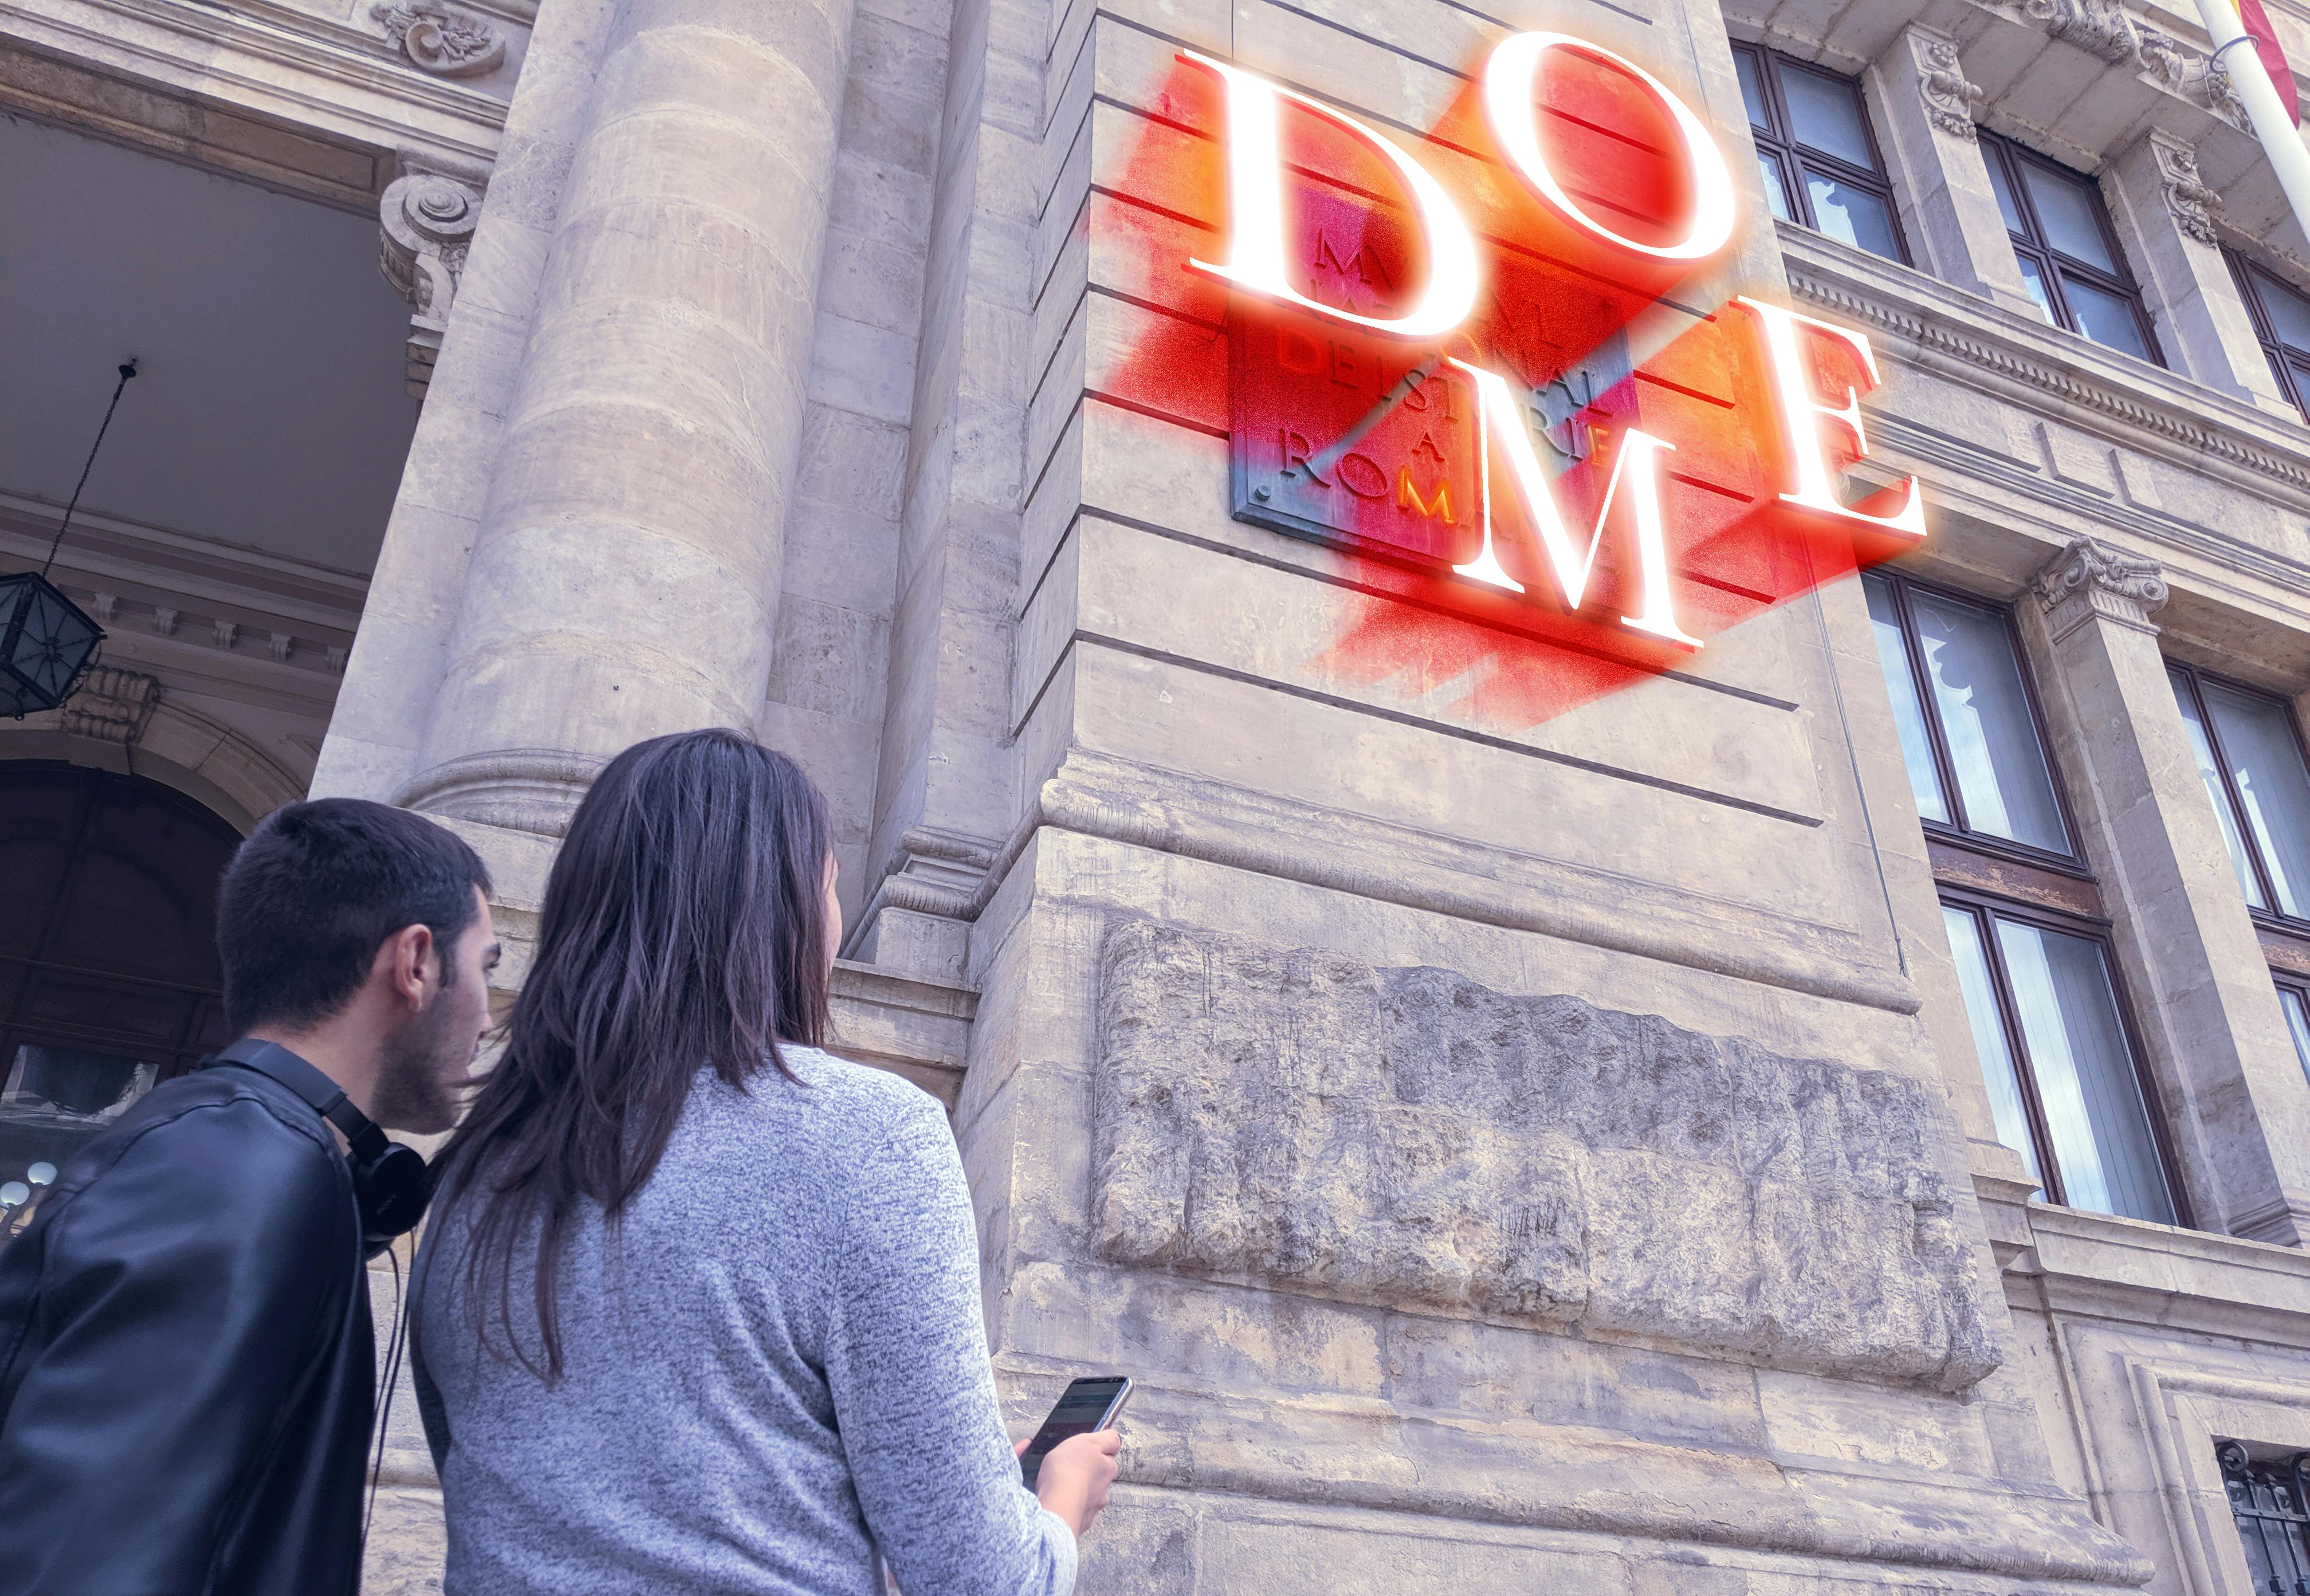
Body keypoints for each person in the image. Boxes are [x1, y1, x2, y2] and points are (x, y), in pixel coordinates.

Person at [415, 729, 1119, 1595]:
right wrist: (1057, 1505)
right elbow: (985, 1579)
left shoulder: (468, 1175)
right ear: (781, 912)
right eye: (829, 884)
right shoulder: (869, 1136)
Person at [0, 797, 500, 1595]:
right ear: (415, 962)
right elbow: (88, 1559)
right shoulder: (250, 1173)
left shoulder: (244, 1150)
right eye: (489, 965)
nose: (488, 1016)